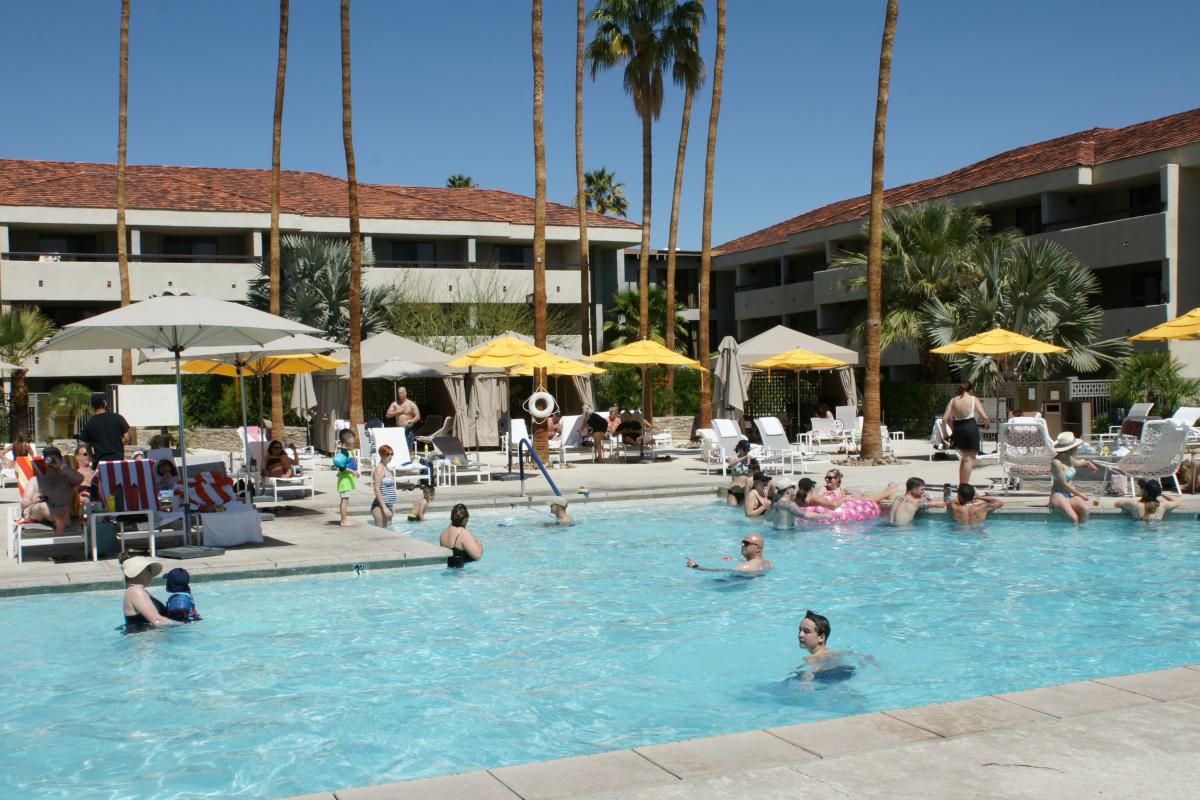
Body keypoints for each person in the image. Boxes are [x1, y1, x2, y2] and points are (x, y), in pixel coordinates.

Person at [21, 446, 83, 535]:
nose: (52, 462)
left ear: (61, 461)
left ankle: (58, 520)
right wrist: (34, 500)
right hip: (39, 512)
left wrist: (61, 466)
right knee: (43, 506)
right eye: (49, 459)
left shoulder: (68, 479)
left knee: (63, 509)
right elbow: (23, 504)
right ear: (44, 463)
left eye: (55, 459)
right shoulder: (35, 480)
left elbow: (80, 479)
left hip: (62, 509)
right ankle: (59, 518)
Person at [942, 382, 990, 489]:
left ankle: (961, 484)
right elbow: (985, 417)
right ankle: (965, 486)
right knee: (970, 458)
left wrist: (945, 433)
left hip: (958, 428)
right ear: (971, 390)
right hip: (970, 427)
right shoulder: (973, 399)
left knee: (964, 458)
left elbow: (945, 419)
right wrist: (986, 424)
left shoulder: (953, 400)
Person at [794, 610, 856, 683]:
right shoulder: (835, 652)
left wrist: (807, 677)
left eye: (806, 631)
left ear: (822, 638)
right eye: (800, 630)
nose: (800, 635)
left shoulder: (812, 658)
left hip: (827, 676)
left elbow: (816, 667)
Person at [121, 555, 179, 632]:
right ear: (140, 572)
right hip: (145, 641)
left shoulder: (137, 591)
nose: (151, 574)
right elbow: (157, 621)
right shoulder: (136, 591)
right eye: (149, 570)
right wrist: (185, 625)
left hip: (147, 640)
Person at [1049, 432, 1097, 524]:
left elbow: (1078, 463)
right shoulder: (1056, 463)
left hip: (1071, 495)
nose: (1077, 448)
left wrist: (1088, 463)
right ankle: (1071, 538)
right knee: (1073, 518)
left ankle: (1081, 535)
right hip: (1059, 495)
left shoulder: (1069, 458)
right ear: (1070, 449)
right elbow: (1064, 484)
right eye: (1076, 447)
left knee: (1085, 510)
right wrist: (1080, 495)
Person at [686, 533, 773, 575]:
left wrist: (696, 566)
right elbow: (753, 564)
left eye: (746, 543)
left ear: (758, 548)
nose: (743, 546)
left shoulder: (743, 567)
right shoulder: (768, 563)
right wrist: (735, 559)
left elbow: (719, 570)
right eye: (742, 543)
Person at [82, 393, 130, 464]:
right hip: (117, 460)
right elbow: (126, 437)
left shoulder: (89, 423)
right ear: (105, 403)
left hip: (100, 463)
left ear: (92, 406)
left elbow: (87, 446)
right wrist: (117, 445)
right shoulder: (118, 418)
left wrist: (92, 461)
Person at [440, 503, 483, 568]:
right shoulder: (463, 533)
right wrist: (478, 542)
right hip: (460, 575)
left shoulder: (444, 532)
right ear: (465, 519)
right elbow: (478, 556)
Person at [1116, 478, 1180, 521]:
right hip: (1156, 531)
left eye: (1142, 488)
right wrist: (1161, 494)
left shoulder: (1134, 504)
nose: (1140, 489)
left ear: (1144, 491)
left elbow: (1117, 504)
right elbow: (1176, 502)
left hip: (1139, 531)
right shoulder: (1163, 505)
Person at [332, 428, 359, 527]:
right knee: (344, 500)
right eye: (353, 438)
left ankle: (344, 520)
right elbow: (340, 466)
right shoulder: (343, 452)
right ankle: (344, 521)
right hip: (344, 481)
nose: (354, 440)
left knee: (345, 500)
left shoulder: (346, 451)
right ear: (347, 439)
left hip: (347, 480)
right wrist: (353, 472)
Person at [368, 444, 399, 527]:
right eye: (387, 454)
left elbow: (389, 488)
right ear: (381, 455)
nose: (390, 456)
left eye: (392, 454)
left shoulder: (387, 468)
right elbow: (376, 489)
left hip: (388, 506)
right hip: (379, 507)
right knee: (381, 532)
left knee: (389, 531)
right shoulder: (379, 469)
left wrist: (391, 506)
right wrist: (384, 508)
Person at [385, 385, 421, 450]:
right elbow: (387, 415)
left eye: (401, 393)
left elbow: (418, 416)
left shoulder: (411, 404)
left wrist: (410, 421)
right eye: (398, 393)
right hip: (398, 428)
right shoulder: (395, 404)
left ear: (405, 393)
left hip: (408, 428)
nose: (400, 394)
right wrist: (397, 411)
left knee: (408, 447)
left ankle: (409, 458)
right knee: (398, 447)